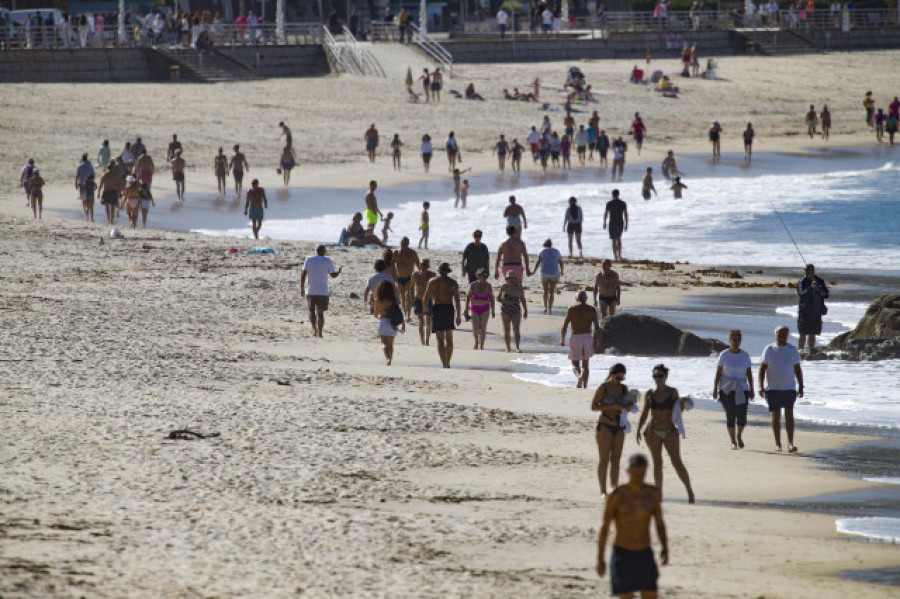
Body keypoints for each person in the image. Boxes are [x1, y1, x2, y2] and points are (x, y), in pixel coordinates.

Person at [596, 454, 668, 598]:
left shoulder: (652, 494)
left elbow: (660, 524)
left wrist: (665, 547)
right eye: (635, 474)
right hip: (622, 553)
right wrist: (600, 559)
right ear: (628, 471)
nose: (638, 478)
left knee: (651, 594)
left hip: (644, 552)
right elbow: (605, 527)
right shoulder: (617, 495)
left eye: (642, 474)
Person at [636, 364, 695, 503]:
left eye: (660, 376)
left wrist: (683, 403)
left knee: (677, 462)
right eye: (655, 376)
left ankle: (689, 491)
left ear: (666, 377)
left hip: (670, 431)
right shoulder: (650, 393)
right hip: (653, 431)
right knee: (657, 463)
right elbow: (645, 412)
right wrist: (638, 429)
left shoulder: (673, 392)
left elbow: (677, 412)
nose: (657, 379)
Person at [759, 326, 804, 453]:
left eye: (785, 333)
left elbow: (797, 369)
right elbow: (762, 369)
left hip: (789, 388)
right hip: (773, 388)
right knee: (776, 415)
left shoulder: (792, 350)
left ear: (788, 335)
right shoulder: (769, 349)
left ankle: (790, 443)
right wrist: (761, 386)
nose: (782, 336)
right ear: (775, 334)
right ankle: (778, 443)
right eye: (780, 333)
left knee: (789, 414)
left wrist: (801, 386)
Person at [592, 363, 630, 496]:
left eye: (623, 378)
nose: (620, 381)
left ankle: (614, 488)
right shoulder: (603, 388)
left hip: (619, 426)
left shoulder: (624, 389)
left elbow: (627, 406)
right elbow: (594, 406)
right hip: (604, 424)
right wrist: (612, 407)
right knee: (604, 459)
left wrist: (629, 407)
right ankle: (603, 491)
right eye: (618, 378)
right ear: (612, 374)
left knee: (616, 459)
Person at [712, 329, 755, 450]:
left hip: (742, 389)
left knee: (742, 417)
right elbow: (718, 373)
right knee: (730, 415)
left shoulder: (745, 355)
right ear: (729, 340)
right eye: (734, 339)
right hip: (727, 389)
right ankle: (733, 441)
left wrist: (752, 389)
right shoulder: (724, 355)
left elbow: (749, 374)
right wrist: (715, 389)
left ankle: (739, 435)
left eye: (738, 339)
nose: (736, 342)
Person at [422, 263, 462, 368]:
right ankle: (447, 362)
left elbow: (426, 297)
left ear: (439, 271)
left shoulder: (432, 281)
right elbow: (457, 300)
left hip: (438, 309)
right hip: (449, 309)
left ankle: (444, 363)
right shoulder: (453, 283)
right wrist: (458, 315)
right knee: (449, 338)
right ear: (448, 272)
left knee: (440, 338)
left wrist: (425, 308)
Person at [560, 291, 602, 388]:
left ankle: (579, 376)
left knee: (575, 363)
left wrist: (562, 339)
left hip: (576, 336)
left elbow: (565, 326)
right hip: (587, 337)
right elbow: (597, 327)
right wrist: (599, 342)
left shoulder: (572, 309)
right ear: (586, 299)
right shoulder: (591, 310)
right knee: (586, 365)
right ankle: (585, 386)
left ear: (576, 299)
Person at [301, 245, 342, 338]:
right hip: (323, 291)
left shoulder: (309, 259)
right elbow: (333, 275)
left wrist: (302, 288)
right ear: (324, 251)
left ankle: (314, 330)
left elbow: (303, 275)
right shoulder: (327, 260)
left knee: (311, 311)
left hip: (311, 290)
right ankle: (320, 333)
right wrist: (338, 272)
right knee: (320, 313)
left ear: (316, 251)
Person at [797, 264, 829, 350]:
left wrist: (823, 292)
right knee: (803, 333)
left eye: (810, 271)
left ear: (813, 271)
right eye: (806, 271)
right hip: (804, 311)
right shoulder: (802, 282)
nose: (808, 272)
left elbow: (826, 294)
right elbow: (802, 294)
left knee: (813, 333)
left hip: (816, 310)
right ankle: (800, 351)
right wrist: (810, 288)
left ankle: (811, 350)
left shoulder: (819, 281)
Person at [464, 268, 495, 350]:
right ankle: (476, 342)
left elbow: (492, 298)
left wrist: (493, 310)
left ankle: (482, 345)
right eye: (483, 276)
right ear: (478, 276)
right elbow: (467, 298)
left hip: (485, 309)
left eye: (486, 276)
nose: (485, 278)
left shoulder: (488, 286)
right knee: (475, 328)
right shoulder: (473, 285)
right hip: (474, 308)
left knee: (483, 328)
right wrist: (466, 310)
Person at [374, 279, 403, 365]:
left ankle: (387, 359)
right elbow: (398, 311)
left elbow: (375, 314)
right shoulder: (394, 300)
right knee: (391, 344)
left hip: (383, 321)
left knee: (384, 343)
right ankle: (390, 358)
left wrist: (379, 315)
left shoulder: (377, 300)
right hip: (392, 323)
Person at [497, 270, 527, 352]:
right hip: (505, 310)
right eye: (509, 278)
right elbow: (498, 298)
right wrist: (506, 302)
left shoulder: (519, 288)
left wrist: (526, 311)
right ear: (506, 279)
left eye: (512, 278)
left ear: (515, 279)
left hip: (516, 310)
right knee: (506, 330)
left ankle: (517, 347)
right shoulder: (504, 287)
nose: (511, 280)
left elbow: (523, 299)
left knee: (516, 329)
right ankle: (508, 347)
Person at [533, 239, 564, 314]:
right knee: (551, 292)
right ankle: (550, 309)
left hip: (544, 273)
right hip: (554, 273)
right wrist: (562, 271)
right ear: (551, 244)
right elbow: (561, 262)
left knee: (545, 291)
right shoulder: (556, 251)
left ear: (544, 244)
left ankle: (545, 307)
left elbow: (538, 262)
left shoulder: (541, 251)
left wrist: (534, 271)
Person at [392, 237, 420, 319]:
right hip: (399, 278)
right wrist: (393, 277)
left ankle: (408, 315)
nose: (404, 244)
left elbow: (418, 264)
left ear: (408, 244)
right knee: (403, 297)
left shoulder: (412, 253)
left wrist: (420, 275)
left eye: (405, 243)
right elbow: (391, 266)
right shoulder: (396, 253)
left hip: (409, 277)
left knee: (408, 295)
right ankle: (405, 314)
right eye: (402, 242)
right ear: (400, 243)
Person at [411, 259, 436, 345]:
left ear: (428, 266)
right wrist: (411, 297)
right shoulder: (415, 274)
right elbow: (411, 286)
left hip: (429, 299)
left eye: (425, 265)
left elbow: (435, 288)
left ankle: (427, 341)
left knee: (428, 321)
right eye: (421, 264)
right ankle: (422, 341)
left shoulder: (432, 275)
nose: (423, 266)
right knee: (421, 321)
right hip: (418, 299)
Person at [604, 190, 629, 262]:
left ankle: (615, 256)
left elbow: (606, 214)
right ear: (618, 194)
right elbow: (626, 214)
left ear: (612, 195)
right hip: (620, 222)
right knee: (619, 239)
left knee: (613, 240)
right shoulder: (623, 203)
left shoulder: (609, 203)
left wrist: (604, 223)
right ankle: (620, 255)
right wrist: (626, 224)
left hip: (612, 222)